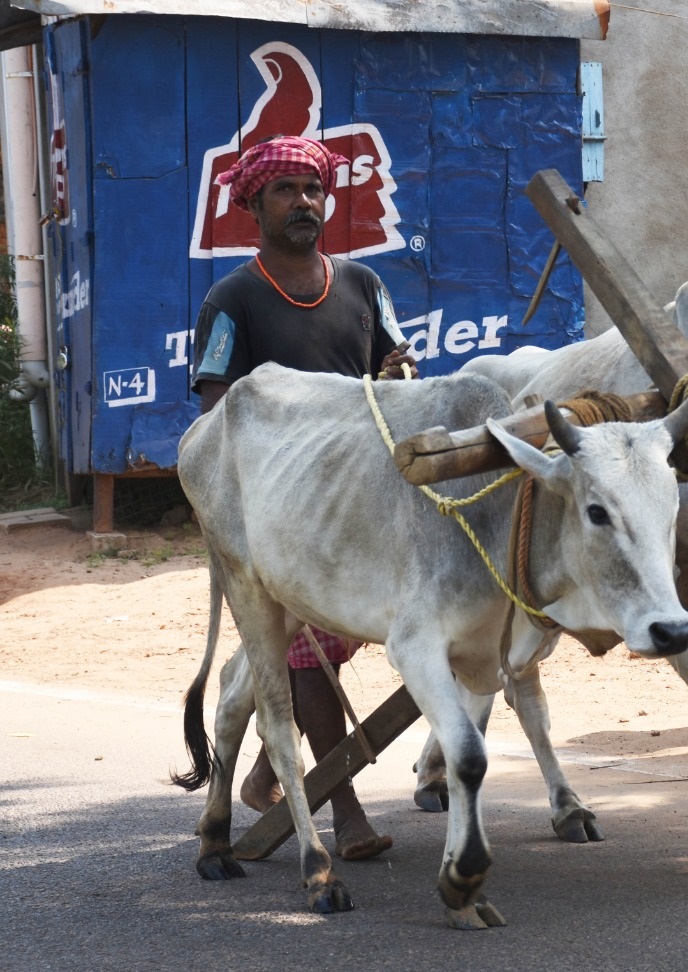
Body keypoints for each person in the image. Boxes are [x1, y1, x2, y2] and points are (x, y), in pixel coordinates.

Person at [190, 135, 418, 858]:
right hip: (283, 510)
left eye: (313, 190)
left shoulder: (364, 285)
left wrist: (399, 374)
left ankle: (264, 774)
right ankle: (344, 811)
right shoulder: (232, 299)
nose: (303, 202)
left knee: (334, 643)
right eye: (285, 191)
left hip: (360, 495)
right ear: (254, 206)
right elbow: (218, 415)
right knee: (307, 650)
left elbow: (393, 370)